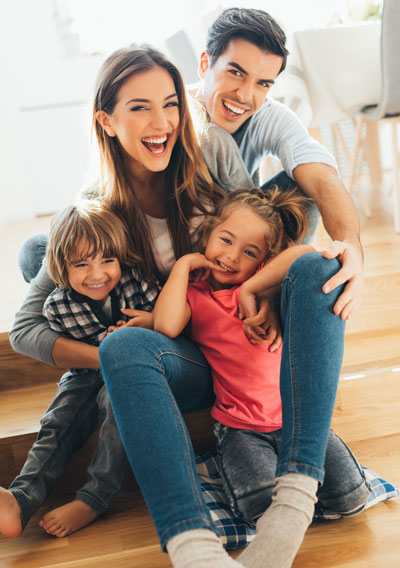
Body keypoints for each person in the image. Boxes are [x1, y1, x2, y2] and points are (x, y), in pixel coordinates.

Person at [7, 45, 248, 567]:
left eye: (171, 103)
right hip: (143, 348)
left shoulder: (211, 156)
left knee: (106, 324)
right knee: (45, 256)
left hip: (204, 347)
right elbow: (24, 328)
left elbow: (257, 240)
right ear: (107, 121)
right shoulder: (101, 200)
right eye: (139, 107)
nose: (162, 122)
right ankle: (23, 495)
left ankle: (95, 496)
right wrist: (110, 356)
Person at [153, 187, 370, 556]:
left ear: (262, 261)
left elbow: (307, 255)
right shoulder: (195, 295)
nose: (232, 257)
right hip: (239, 427)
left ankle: (298, 485)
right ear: (206, 234)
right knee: (259, 509)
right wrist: (184, 265)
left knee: (352, 497)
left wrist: (251, 287)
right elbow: (166, 327)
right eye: (225, 240)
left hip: (296, 422)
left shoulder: (269, 291)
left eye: (249, 252)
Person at [191, 7, 364, 326]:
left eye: (263, 84)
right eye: (235, 73)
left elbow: (323, 180)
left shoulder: (268, 116)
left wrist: (351, 246)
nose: (245, 95)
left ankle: (269, 293)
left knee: (303, 190)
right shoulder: (170, 116)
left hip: (244, 245)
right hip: (188, 246)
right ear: (205, 64)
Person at [0, 199, 159, 538]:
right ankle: (21, 499)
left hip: (131, 370)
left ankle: (94, 498)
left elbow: (171, 322)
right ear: (61, 267)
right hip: (84, 371)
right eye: (82, 265)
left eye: (107, 260)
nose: (97, 274)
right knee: (57, 421)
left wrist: (148, 326)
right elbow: (46, 344)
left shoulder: (137, 284)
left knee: (116, 405)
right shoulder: (57, 305)